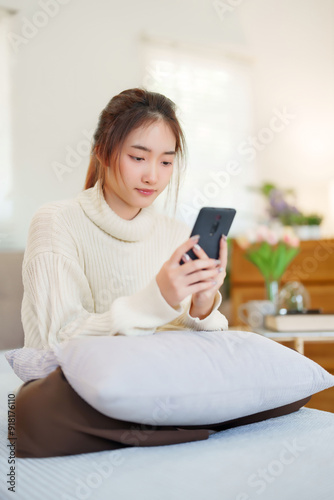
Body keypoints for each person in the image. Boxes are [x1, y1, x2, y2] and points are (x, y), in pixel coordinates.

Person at [12, 88, 229, 458]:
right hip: (78, 386)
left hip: (155, 379)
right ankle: (181, 423)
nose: (152, 176)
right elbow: (58, 340)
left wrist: (202, 304)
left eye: (165, 162)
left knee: (255, 360)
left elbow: (186, 343)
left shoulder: (176, 233)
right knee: (34, 411)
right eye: (137, 157)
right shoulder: (55, 221)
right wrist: (156, 298)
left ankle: (160, 423)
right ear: (101, 151)